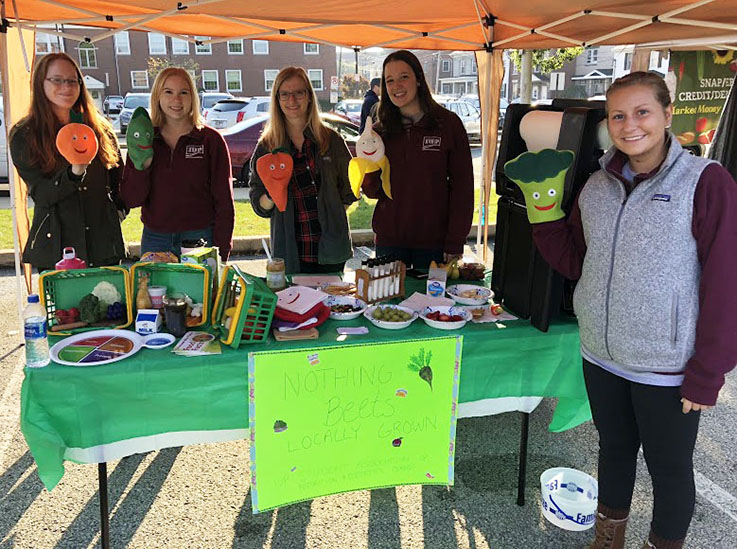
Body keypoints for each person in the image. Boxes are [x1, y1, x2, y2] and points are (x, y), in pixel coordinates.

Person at [529, 72, 737, 549]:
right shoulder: (597, 186)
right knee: (614, 452)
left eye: (642, 112)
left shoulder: (706, 183)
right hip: (601, 354)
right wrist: (543, 221)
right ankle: (607, 541)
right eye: (618, 115)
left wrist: (708, 372)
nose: (629, 125)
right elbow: (579, 261)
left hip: (666, 366)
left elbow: (727, 282)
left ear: (667, 115)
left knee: (669, 471)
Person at [9, 52, 126, 272]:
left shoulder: (100, 129)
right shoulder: (26, 135)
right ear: (40, 83)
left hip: (103, 246)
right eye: (57, 80)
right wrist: (74, 173)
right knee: (65, 307)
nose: (66, 86)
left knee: (109, 303)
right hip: (58, 247)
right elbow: (41, 194)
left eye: (73, 80)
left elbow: (119, 179)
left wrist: (117, 212)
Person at [361, 50, 473, 269]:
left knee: (434, 303)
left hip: (434, 244)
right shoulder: (379, 132)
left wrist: (455, 242)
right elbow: (374, 193)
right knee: (389, 302)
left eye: (404, 77)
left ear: (419, 79)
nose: (396, 86)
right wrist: (367, 163)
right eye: (389, 80)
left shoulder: (448, 124)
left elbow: (463, 188)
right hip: (390, 242)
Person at [249, 67, 357, 274]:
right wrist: (274, 191)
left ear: (309, 96)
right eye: (285, 94)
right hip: (290, 249)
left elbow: (350, 187)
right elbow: (259, 204)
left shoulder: (330, 140)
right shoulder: (267, 146)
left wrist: (332, 213)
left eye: (299, 92)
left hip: (330, 249)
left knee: (333, 304)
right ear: (277, 100)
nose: (292, 100)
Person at [120, 67, 234, 261]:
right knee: (155, 292)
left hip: (199, 238)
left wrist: (222, 251)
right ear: (157, 96)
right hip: (156, 238)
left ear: (193, 97)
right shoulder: (144, 139)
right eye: (168, 92)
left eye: (183, 92)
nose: (176, 100)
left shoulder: (209, 140)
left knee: (200, 291)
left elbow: (224, 201)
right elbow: (131, 199)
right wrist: (143, 166)